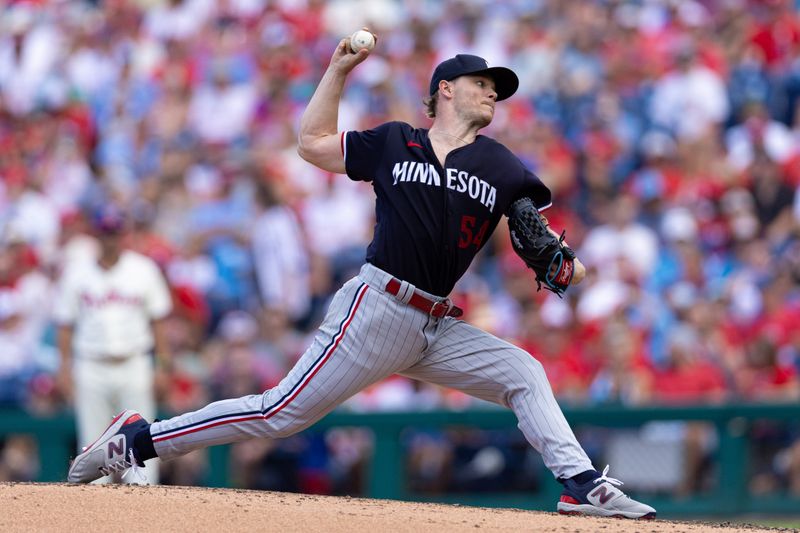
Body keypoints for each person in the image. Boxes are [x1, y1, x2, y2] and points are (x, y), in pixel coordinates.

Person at [67, 36, 656, 519]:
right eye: (483, 83)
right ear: (445, 89)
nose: (493, 94)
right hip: (375, 309)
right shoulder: (396, 141)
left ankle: (580, 485)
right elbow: (312, 144)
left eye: (498, 89)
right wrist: (337, 71)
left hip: (436, 325)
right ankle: (136, 441)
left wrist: (566, 262)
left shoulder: (500, 164)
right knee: (279, 413)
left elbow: (557, 259)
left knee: (524, 371)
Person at [55, 204, 173, 484]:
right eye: (106, 232)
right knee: (92, 443)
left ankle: (143, 511)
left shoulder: (143, 269)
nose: (111, 238)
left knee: (143, 441)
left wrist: (163, 366)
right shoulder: (76, 272)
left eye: (115, 232)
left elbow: (159, 321)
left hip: (134, 362)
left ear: (124, 235)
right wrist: (64, 369)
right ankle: (96, 516)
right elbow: (65, 324)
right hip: (91, 364)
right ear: (96, 235)